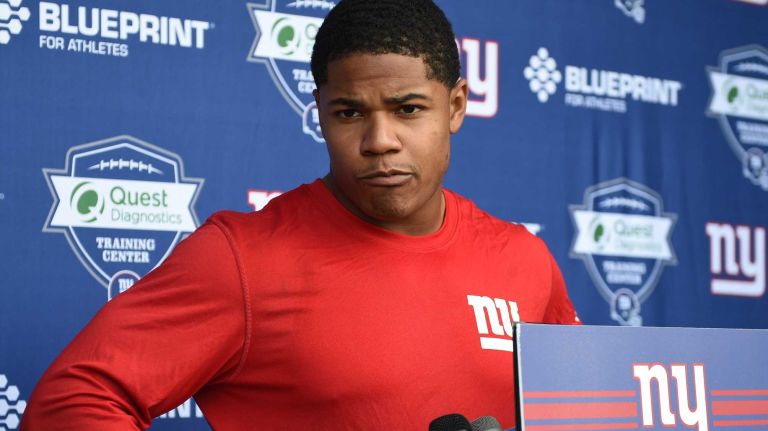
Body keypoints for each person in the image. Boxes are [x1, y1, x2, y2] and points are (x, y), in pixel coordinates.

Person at [21, 0, 580, 429]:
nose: (379, 140)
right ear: (320, 111)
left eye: (408, 110)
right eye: (349, 112)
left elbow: (589, 410)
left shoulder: (524, 260)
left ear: (456, 105)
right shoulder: (241, 258)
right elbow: (73, 398)